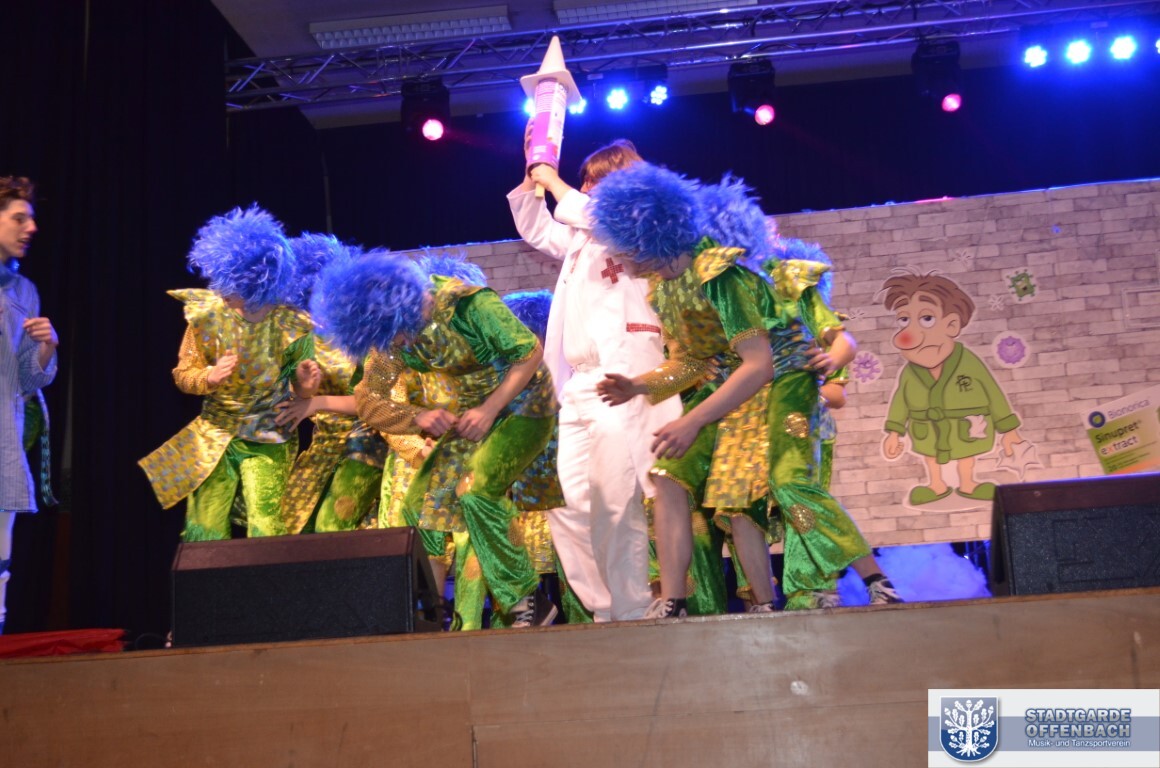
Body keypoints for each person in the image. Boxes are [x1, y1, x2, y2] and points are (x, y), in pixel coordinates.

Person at [310, 251, 558, 628]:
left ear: (403, 308)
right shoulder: (393, 337)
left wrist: (489, 409)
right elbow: (368, 398)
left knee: (476, 490)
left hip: (526, 407)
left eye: (395, 333)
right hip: (472, 416)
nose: (397, 343)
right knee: (418, 505)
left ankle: (527, 600)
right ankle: (430, 612)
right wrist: (417, 416)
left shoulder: (470, 305)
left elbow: (529, 353)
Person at [508, 135, 681, 622]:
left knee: (614, 499)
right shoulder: (583, 237)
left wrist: (555, 183)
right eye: (584, 181)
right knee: (565, 501)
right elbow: (538, 230)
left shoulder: (642, 223)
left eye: (595, 181)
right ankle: (603, 606)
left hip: (620, 378)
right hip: (578, 384)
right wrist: (533, 178)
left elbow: (593, 214)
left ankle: (629, 608)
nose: (586, 189)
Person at [139, 206, 319, 541]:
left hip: (269, 435)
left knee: (267, 524)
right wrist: (208, 377)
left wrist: (305, 388)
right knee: (203, 526)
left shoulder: (291, 325)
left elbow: (300, 389)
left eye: (234, 287)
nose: (224, 293)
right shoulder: (207, 317)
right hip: (217, 433)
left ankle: (267, 577)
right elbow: (183, 374)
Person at [275, 233, 387, 534]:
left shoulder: (366, 338)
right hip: (325, 442)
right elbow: (295, 396)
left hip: (368, 439)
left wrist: (316, 402)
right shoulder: (303, 341)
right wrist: (304, 389)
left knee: (332, 523)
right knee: (294, 525)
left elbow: (379, 401)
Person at [0, 176, 59, 634]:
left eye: (32, 219)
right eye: (19, 218)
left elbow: (28, 380)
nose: (31, 228)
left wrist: (45, 346)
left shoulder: (24, 292)